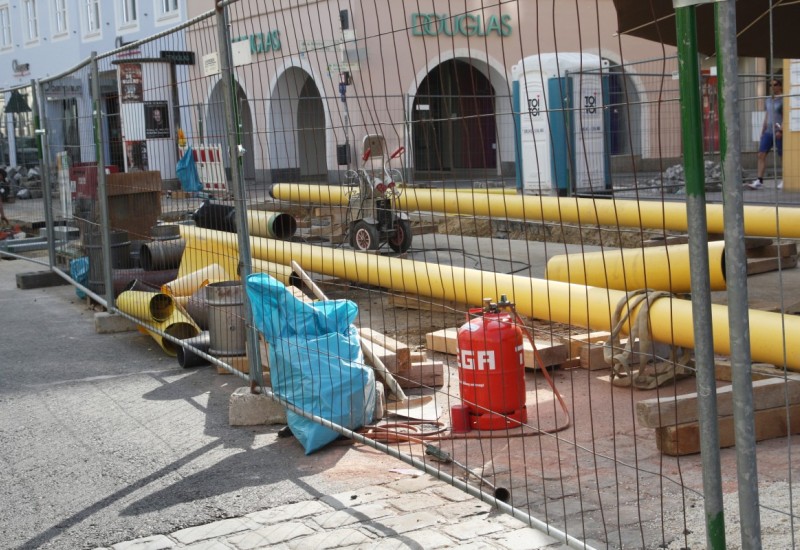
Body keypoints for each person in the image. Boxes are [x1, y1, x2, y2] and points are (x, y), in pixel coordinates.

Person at [747, 77, 783, 190]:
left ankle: (785, 179)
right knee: (761, 154)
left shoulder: (783, 99)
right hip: (768, 131)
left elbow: (786, 116)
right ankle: (759, 180)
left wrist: (781, 130)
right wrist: (763, 129)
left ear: (780, 86)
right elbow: (767, 114)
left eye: (775, 84)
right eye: (770, 85)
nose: (772, 87)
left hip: (778, 130)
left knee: (782, 156)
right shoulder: (768, 99)